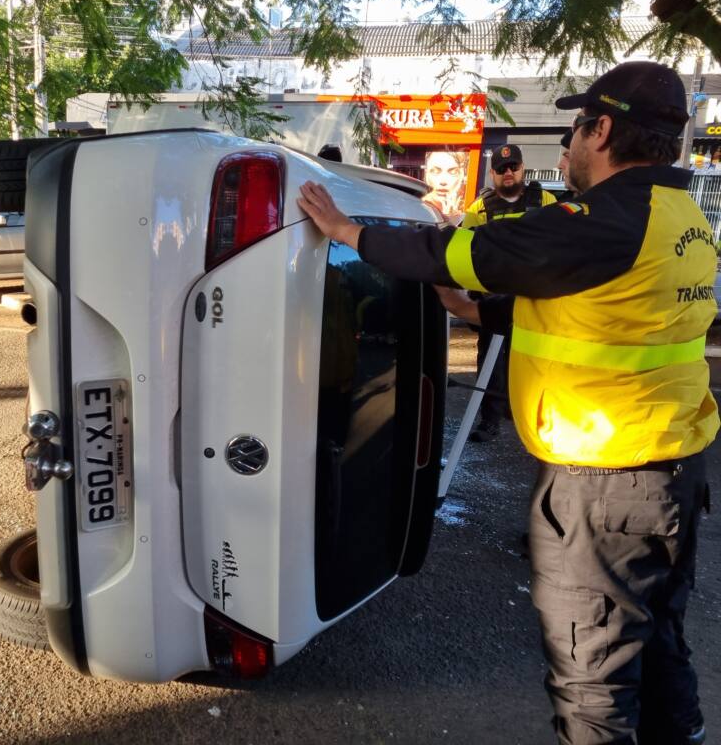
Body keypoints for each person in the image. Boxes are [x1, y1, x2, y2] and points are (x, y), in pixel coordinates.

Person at [297, 60, 714, 745]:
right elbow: (604, 307)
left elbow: (457, 250)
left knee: (594, 680)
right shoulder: (681, 214)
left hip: (605, 483)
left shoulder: (601, 219)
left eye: (577, 128)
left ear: (601, 128)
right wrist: (479, 311)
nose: (570, 146)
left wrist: (350, 234)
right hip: (673, 474)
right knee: (660, 643)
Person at [460, 144, 557, 442]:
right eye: (501, 169)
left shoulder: (545, 200)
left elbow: (559, 246)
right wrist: (473, 294)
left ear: (522, 168)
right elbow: (467, 251)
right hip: (495, 297)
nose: (508, 173)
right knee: (490, 361)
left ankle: (533, 418)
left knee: (535, 361)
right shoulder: (480, 208)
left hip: (535, 298)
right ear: (492, 174)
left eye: (513, 167)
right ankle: (489, 419)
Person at [421, 149, 468, 220]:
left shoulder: (469, 209)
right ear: (426, 173)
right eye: (435, 171)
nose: (443, 181)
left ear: (462, 175)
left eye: (453, 172)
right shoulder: (415, 206)